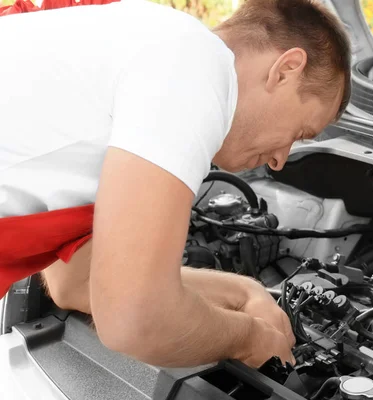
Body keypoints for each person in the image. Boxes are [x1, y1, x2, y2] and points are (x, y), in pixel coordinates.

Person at [0, 0, 351, 368]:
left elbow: (75, 282)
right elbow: (132, 320)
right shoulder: (193, 65)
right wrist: (250, 338)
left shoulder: (147, 51)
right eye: (299, 132)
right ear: (286, 69)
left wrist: (244, 291)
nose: (281, 158)